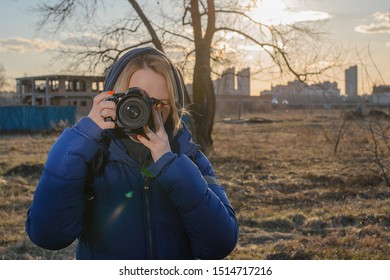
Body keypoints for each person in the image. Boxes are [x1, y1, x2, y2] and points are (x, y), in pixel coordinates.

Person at [25, 47, 238, 260]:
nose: (146, 112)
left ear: (173, 106)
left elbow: (219, 245)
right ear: (112, 98)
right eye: (135, 100)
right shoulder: (92, 159)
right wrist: (81, 139)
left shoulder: (190, 159)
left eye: (160, 104)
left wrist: (171, 166)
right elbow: (47, 236)